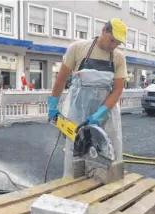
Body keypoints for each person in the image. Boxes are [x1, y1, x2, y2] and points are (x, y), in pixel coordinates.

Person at [47, 18, 128, 178]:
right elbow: (61, 79)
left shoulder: (119, 58)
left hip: (106, 112)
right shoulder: (78, 48)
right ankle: (72, 184)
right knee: (76, 148)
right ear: (104, 30)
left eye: (117, 43)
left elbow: (118, 89)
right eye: (112, 40)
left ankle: (107, 188)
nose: (113, 46)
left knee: (109, 148)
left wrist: (101, 114)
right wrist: (53, 105)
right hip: (78, 108)